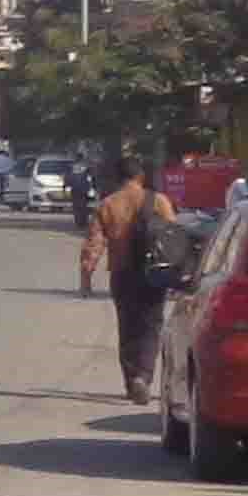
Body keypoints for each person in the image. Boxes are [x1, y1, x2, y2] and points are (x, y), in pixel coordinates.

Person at [91, 154, 173, 403]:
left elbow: (93, 243)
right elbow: (174, 237)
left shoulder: (108, 204)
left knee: (127, 328)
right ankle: (144, 377)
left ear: (118, 178)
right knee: (151, 326)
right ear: (140, 177)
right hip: (154, 274)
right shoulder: (159, 201)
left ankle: (131, 381)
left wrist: (86, 275)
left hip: (122, 274)